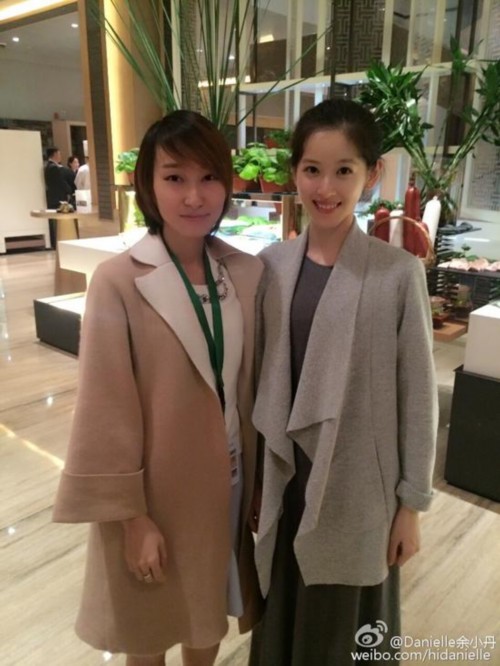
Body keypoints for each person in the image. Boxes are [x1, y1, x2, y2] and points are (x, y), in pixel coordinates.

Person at [53, 110, 263, 666]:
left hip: (228, 483)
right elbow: (104, 410)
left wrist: (260, 483)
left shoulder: (244, 272)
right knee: (146, 628)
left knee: (207, 613)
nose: (194, 196)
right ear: (148, 184)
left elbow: (251, 389)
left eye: (208, 177)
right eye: (174, 178)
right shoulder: (119, 281)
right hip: (153, 492)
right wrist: (132, 518)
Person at [249, 99, 438, 665]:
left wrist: (411, 506)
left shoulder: (397, 273)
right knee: (285, 618)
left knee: (346, 631)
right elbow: (260, 383)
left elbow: (418, 396)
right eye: (312, 169)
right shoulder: (272, 265)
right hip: (289, 478)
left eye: (344, 170)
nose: (325, 187)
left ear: (372, 174)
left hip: (359, 490)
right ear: (294, 172)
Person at [44, 147, 73, 248]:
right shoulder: (53, 168)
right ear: (54, 154)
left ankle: (56, 241)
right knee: (58, 221)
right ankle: (59, 241)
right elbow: (61, 183)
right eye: (59, 154)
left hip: (53, 197)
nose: (60, 156)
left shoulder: (48, 167)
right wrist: (69, 191)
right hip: (57, 198)